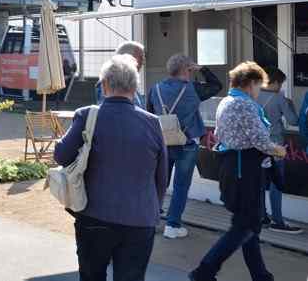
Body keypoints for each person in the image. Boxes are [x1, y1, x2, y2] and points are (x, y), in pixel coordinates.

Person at [55, 55, 167, 281]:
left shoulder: (87, 116)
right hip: (140, 218)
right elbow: (161, 176)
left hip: (94, 216)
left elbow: (62, 156)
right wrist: (152, 208)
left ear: (104, 85)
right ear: (134, 88)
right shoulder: (153, 122)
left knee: (92, 276)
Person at [190, 62, 286, 281]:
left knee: (249, 226)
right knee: (246, 226)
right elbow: (260, 140)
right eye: (258, 86)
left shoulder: (227, 101)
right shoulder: (244, 105)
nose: (259, 91)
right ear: (250, 83)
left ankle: (260, 275)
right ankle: (204, 271)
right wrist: (278, 150)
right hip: (246, 171)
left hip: (235, 169)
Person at [146, 54, 223, 239]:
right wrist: (202, 69)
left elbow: (149, 114)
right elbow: (217, 85)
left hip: (162, 143)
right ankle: (172, 225)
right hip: (187, 143)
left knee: (159, 183)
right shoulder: (193, 89)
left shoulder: (155, 89)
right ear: (187, 70)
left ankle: (150, 221)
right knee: (181, 186)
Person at [257, 67, 302, 234]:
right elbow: (293, 121)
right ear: (275, 82)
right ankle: (278, 221)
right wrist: (290, 104)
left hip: (257, 146)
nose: (281, 87)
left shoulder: (252, 95)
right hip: (275, 147)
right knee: (276, 183)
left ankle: (262, 217)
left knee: (260, 183)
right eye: (281, 83)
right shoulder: (278, 98)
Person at [95, 41, 145, 107]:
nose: (143, 62)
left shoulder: (130, 80)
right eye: (141, 57)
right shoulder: (110, 81)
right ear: (128, 57)